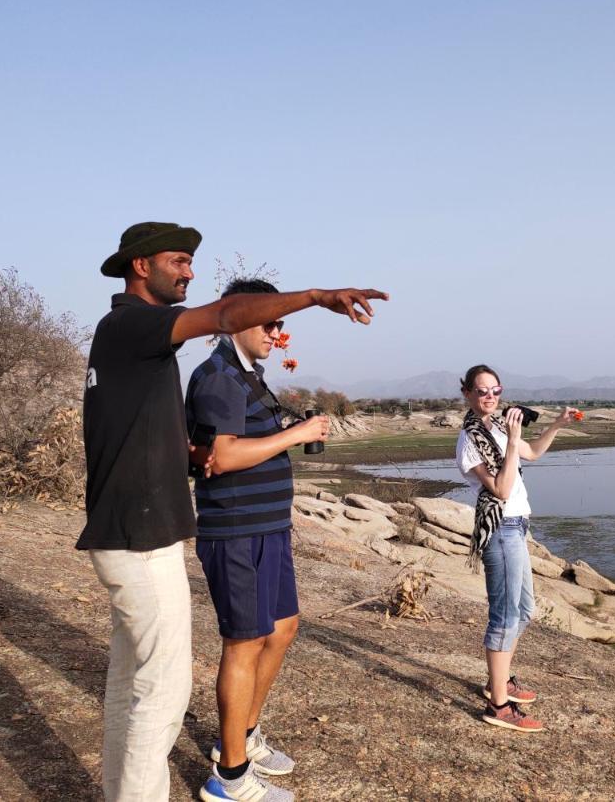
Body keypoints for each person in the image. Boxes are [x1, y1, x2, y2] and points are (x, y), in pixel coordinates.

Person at [77, 221, 386, 802]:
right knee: (163, 694)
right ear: (140, 266)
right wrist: (319, 297)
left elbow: (176, 440)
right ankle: (226, 779)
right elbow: (223, 315)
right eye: (177, 260)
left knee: (131, 685)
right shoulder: (134, 325)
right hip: (141, 535)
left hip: (143, 530)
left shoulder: (134, 341)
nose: (189, 271)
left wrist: (199, 453)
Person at [185, 278, 328, 802]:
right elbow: (221, 457)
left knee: (284, 627)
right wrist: (297, 434)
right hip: (236, 531)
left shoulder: (250, 375)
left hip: (267, 527)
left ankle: (241, 736)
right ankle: (229, 779)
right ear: (237, 316)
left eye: (281, 322)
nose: (276, 330)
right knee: (243, 643)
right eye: (269, 320)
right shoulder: (218, 376)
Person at [455, 364, 579, 733]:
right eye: (481, 391)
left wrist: (556, 424)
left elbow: (534, 453)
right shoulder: (470, 438)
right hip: (501, 530)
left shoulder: (495, 425)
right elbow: (502, 489)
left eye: (495, 390)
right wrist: (511, 439)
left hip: (517, 527)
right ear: (467, 394)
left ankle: (501, 678)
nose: (490, 396)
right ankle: (498, 704)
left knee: (524, 609)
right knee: (505, 617)